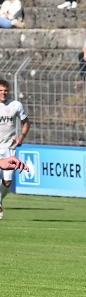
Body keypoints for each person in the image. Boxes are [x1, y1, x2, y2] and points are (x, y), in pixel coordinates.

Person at [0, 79, 30, 220]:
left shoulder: (16, 105)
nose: (3, 93)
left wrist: (21, 137)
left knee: (7, 183)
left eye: (5, 90)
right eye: (0, 91)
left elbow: (26, 123)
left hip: (9, 149)